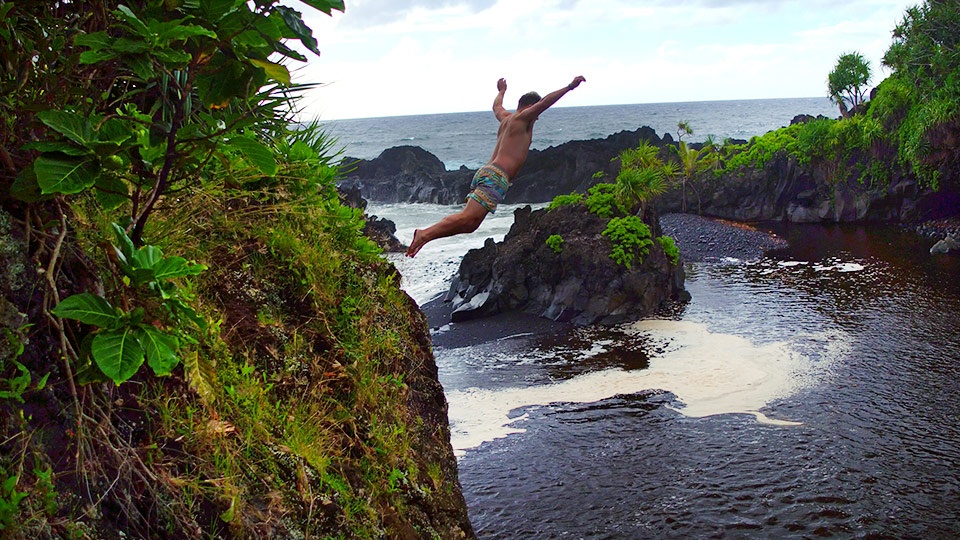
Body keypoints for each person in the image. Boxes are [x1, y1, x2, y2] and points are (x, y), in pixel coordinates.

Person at [405, 75, 586, 257]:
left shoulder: (507, 118)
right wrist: (570, 87)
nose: (537, 118)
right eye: (536, 114)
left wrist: (501, 91)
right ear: (530, 107)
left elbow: (496, 107)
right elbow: (545, 102)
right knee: (468, 218)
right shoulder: (523, 118)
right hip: (496, 176)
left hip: (489, 173)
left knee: (471, 225)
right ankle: (424, 234)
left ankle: (426, 236)